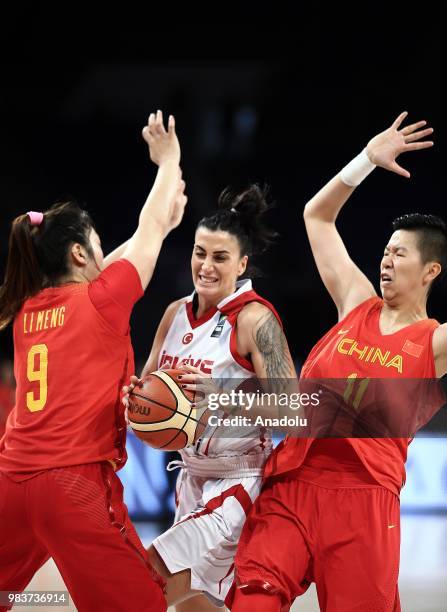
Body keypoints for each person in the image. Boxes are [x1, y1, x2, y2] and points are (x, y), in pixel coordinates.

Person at [227, 112, 446, 612]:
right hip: (295, 484)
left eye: (401, 255)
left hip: (365, 502)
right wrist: (367, 159)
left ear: (431, 270)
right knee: (252, 600)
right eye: (386, 252)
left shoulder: (433, 342)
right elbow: (317, 216)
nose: (386, 260)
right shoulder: (355, 300)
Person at [0, 110, 187, 612]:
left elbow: (129, 252)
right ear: (80, 255)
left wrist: (164, 225)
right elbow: (142, 235)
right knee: (141, 604)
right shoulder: (102, 301)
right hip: (72, 484)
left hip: (11, 483)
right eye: (98, 244)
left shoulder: (25, 311)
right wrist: (168, 164)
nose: (107, 253)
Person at [130, 185, 297, 611]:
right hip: (190, 476)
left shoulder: (255, 319)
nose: (206, 266)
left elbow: (294, 408)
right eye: (199, 252)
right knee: (190, 601)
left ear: (241, 264)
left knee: (142, 583)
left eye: (219, 257)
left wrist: (224, 398)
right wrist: (134, 396)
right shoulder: (173, 313)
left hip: (240, 478)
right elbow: (149, 384)